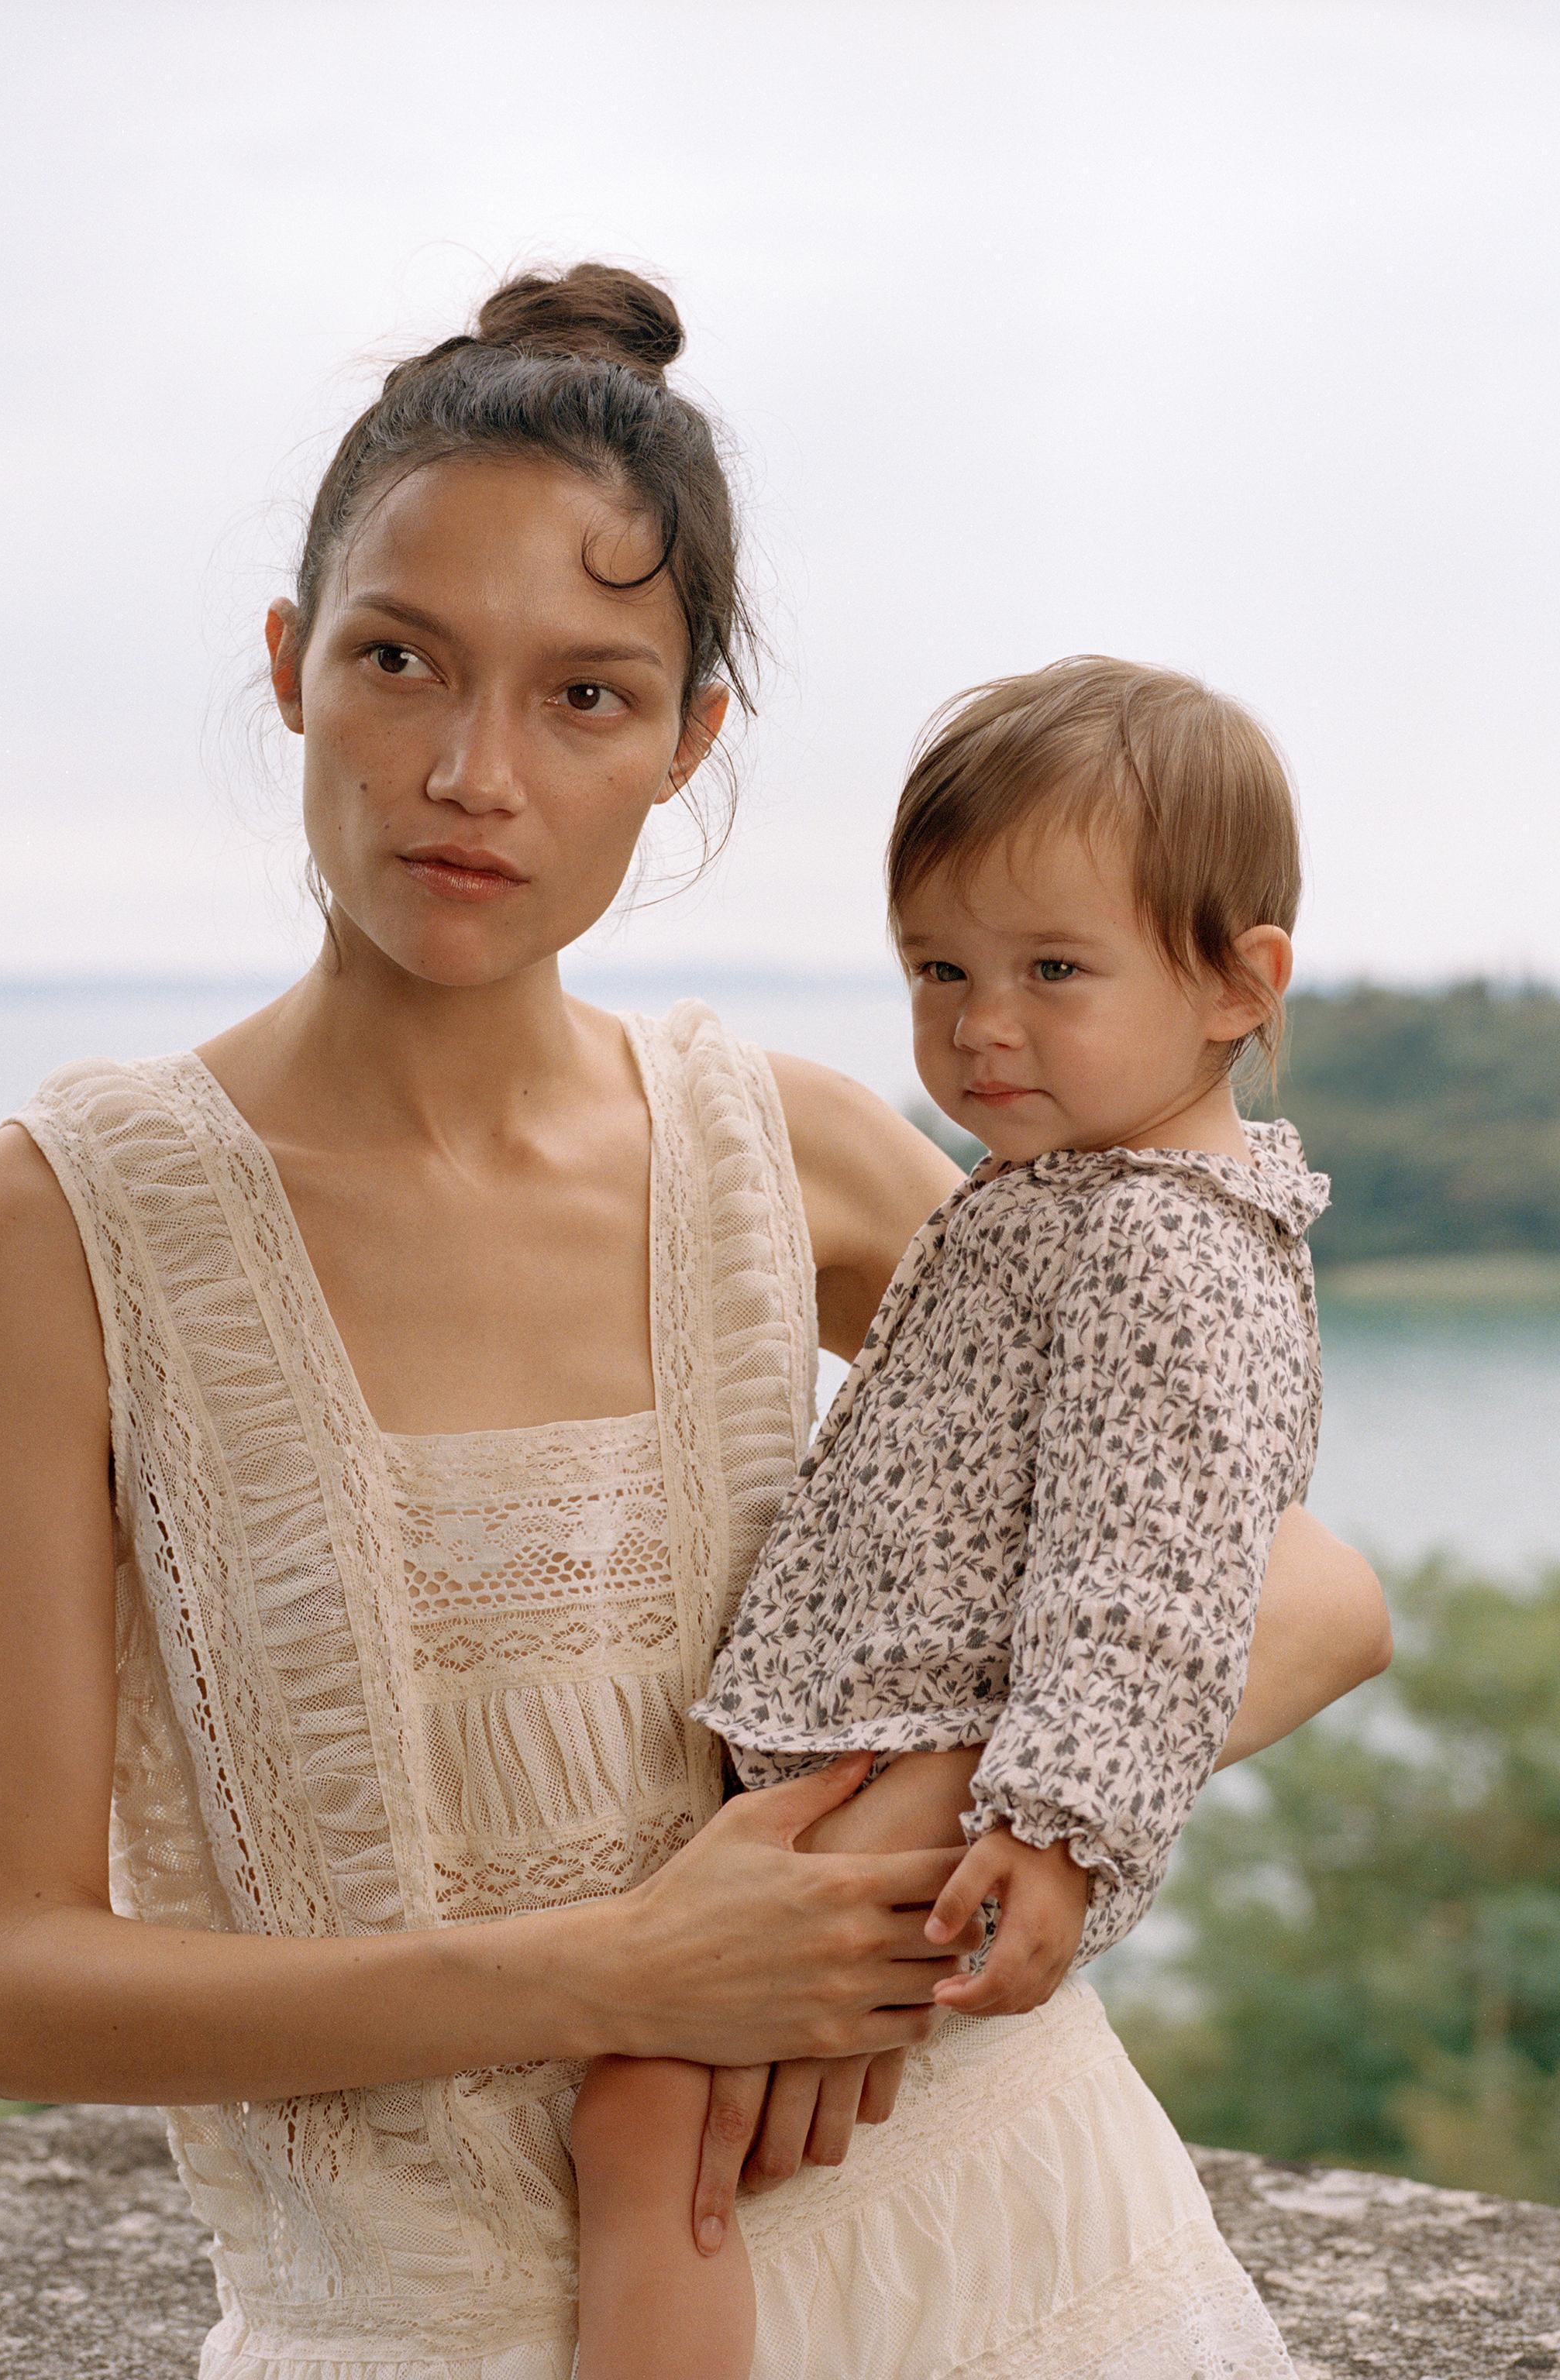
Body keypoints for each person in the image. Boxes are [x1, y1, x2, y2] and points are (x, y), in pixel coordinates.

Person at [0, 266, 1390, 2380]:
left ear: (688, 741)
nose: (472, 772)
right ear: (290, 668)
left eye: (586, 696)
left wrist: (891, 1863)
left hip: (1010, 2253)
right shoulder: (60, 1231)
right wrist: (632, 1971)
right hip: (424, 2325)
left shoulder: (783, 1155)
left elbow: (1311, 1587)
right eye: (400, 661)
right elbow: (17, 1979)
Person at [571, 656, 1329, 2378]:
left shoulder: (1163, 1245)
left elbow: (1155, 1580)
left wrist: (1060, 1830)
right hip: (871, 1749)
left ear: (1234, 981)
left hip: (930, 1770)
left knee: (641, 2117)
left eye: (1053, 971)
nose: (982, 1025)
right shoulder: (1059, 1199)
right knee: (695, 2135)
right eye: (939, 970)